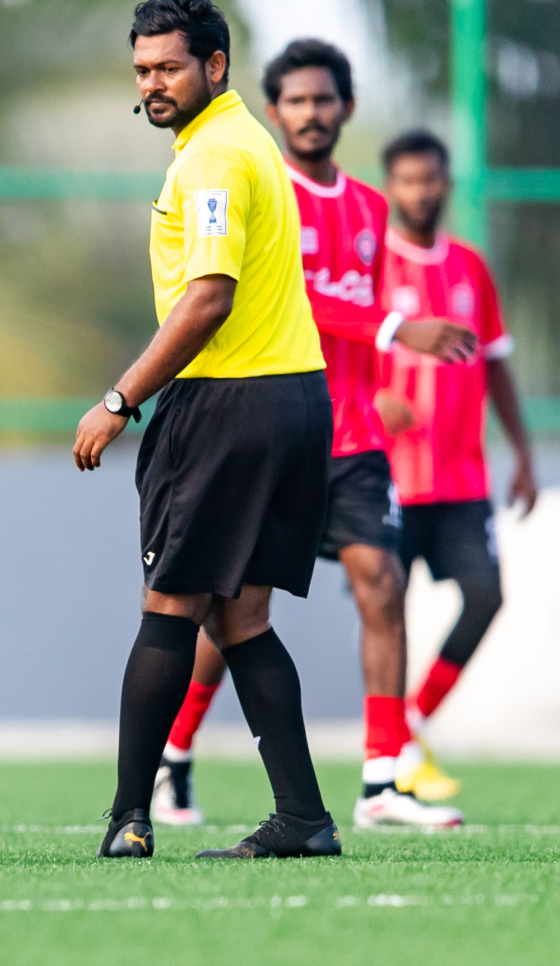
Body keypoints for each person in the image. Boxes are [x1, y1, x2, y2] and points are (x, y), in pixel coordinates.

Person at [150, 41, 473, 829]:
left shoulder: (365, 205)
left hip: (352, 432)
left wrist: (388, 382)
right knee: (226, 612)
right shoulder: (265, 185)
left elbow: (354, 310)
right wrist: (401, 329)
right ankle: (175, 753)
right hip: (274, 428)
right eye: (296, 101)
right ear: (274, 111)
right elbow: (304, 302)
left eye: (324, 100)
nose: (311, 113)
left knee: (382, 583)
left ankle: (382, 781)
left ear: (346, 109)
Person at [77, 0, 338, 860]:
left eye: (169, 68)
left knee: (169, 607)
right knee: (241, 617)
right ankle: (302, 818)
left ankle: (126, 818)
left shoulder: (217, 156)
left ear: (215, 67)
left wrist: (119, 400)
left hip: (230, 405)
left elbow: (209, 299)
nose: (152, 84)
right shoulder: (230, 142)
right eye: (143, 69)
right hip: (293, 398)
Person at [376, 130, 537, 794]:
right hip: (384, 478)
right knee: (381, 613)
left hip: (462, 479)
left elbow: (495, 362)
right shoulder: (370, 267)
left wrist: (524, 452)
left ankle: (409, 727)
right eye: (410, 179)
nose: (422, 190)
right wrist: (370, 402)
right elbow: (333, 350)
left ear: (445, 183)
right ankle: (388, 756)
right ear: (391, 186)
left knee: (486, 596)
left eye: (432, 178)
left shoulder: (470, 267)